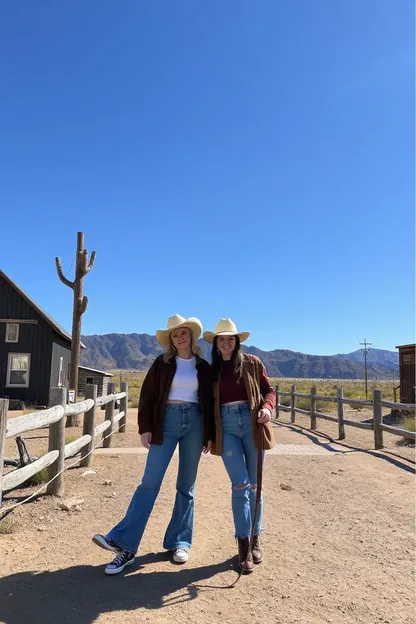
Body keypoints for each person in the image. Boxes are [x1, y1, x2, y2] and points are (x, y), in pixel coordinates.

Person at [93, 314, 214, 575]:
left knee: (186, 485)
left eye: (183, 333)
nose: (180, 337)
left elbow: (211, 401)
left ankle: (179, 542)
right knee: (149, 481)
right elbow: (147, 395)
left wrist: (210, 434)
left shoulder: (204, 367)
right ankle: (124, 545)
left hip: (195, 423)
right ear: (170, 340)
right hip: (166, 422)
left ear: (191, 336)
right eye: (175, 334)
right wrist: (145, 428)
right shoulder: (162, 363)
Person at [203, 318, 276, 574]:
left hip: (253, 423)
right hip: (227, 427)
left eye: (230, 339)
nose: (225, 343)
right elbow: (207, 406)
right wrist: (209, 435)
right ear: (215, 343)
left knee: (256, 486)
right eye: (221, 339)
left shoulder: (253, 364)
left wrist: (267, 407)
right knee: (240, 484)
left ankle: (256, 537)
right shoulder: (211, 371)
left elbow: (269, 391)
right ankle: (243, 546)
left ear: (237, 341)